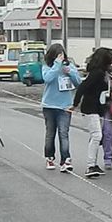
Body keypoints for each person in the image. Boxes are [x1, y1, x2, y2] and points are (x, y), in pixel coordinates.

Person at [72, 47, 112, 178]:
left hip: (98, 108)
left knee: (96, 135)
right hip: (90, 108)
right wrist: (75, 103)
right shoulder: (97, 73)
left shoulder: (101, 72)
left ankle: (94, 163)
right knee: (96, 135)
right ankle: (90, 165)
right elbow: (83, 87)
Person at [41, 43, 81, 172]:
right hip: (49, 105)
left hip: (65, 106)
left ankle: (66, 159)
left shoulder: (69, 66)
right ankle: (49, 157)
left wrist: (70, 72)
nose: (61, 58)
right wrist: (57, 65)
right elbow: (47, 79)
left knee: (64, 133)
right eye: (58, 55)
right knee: (50, 133)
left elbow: (78, 82)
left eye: (62, 55)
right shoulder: (47, 66)